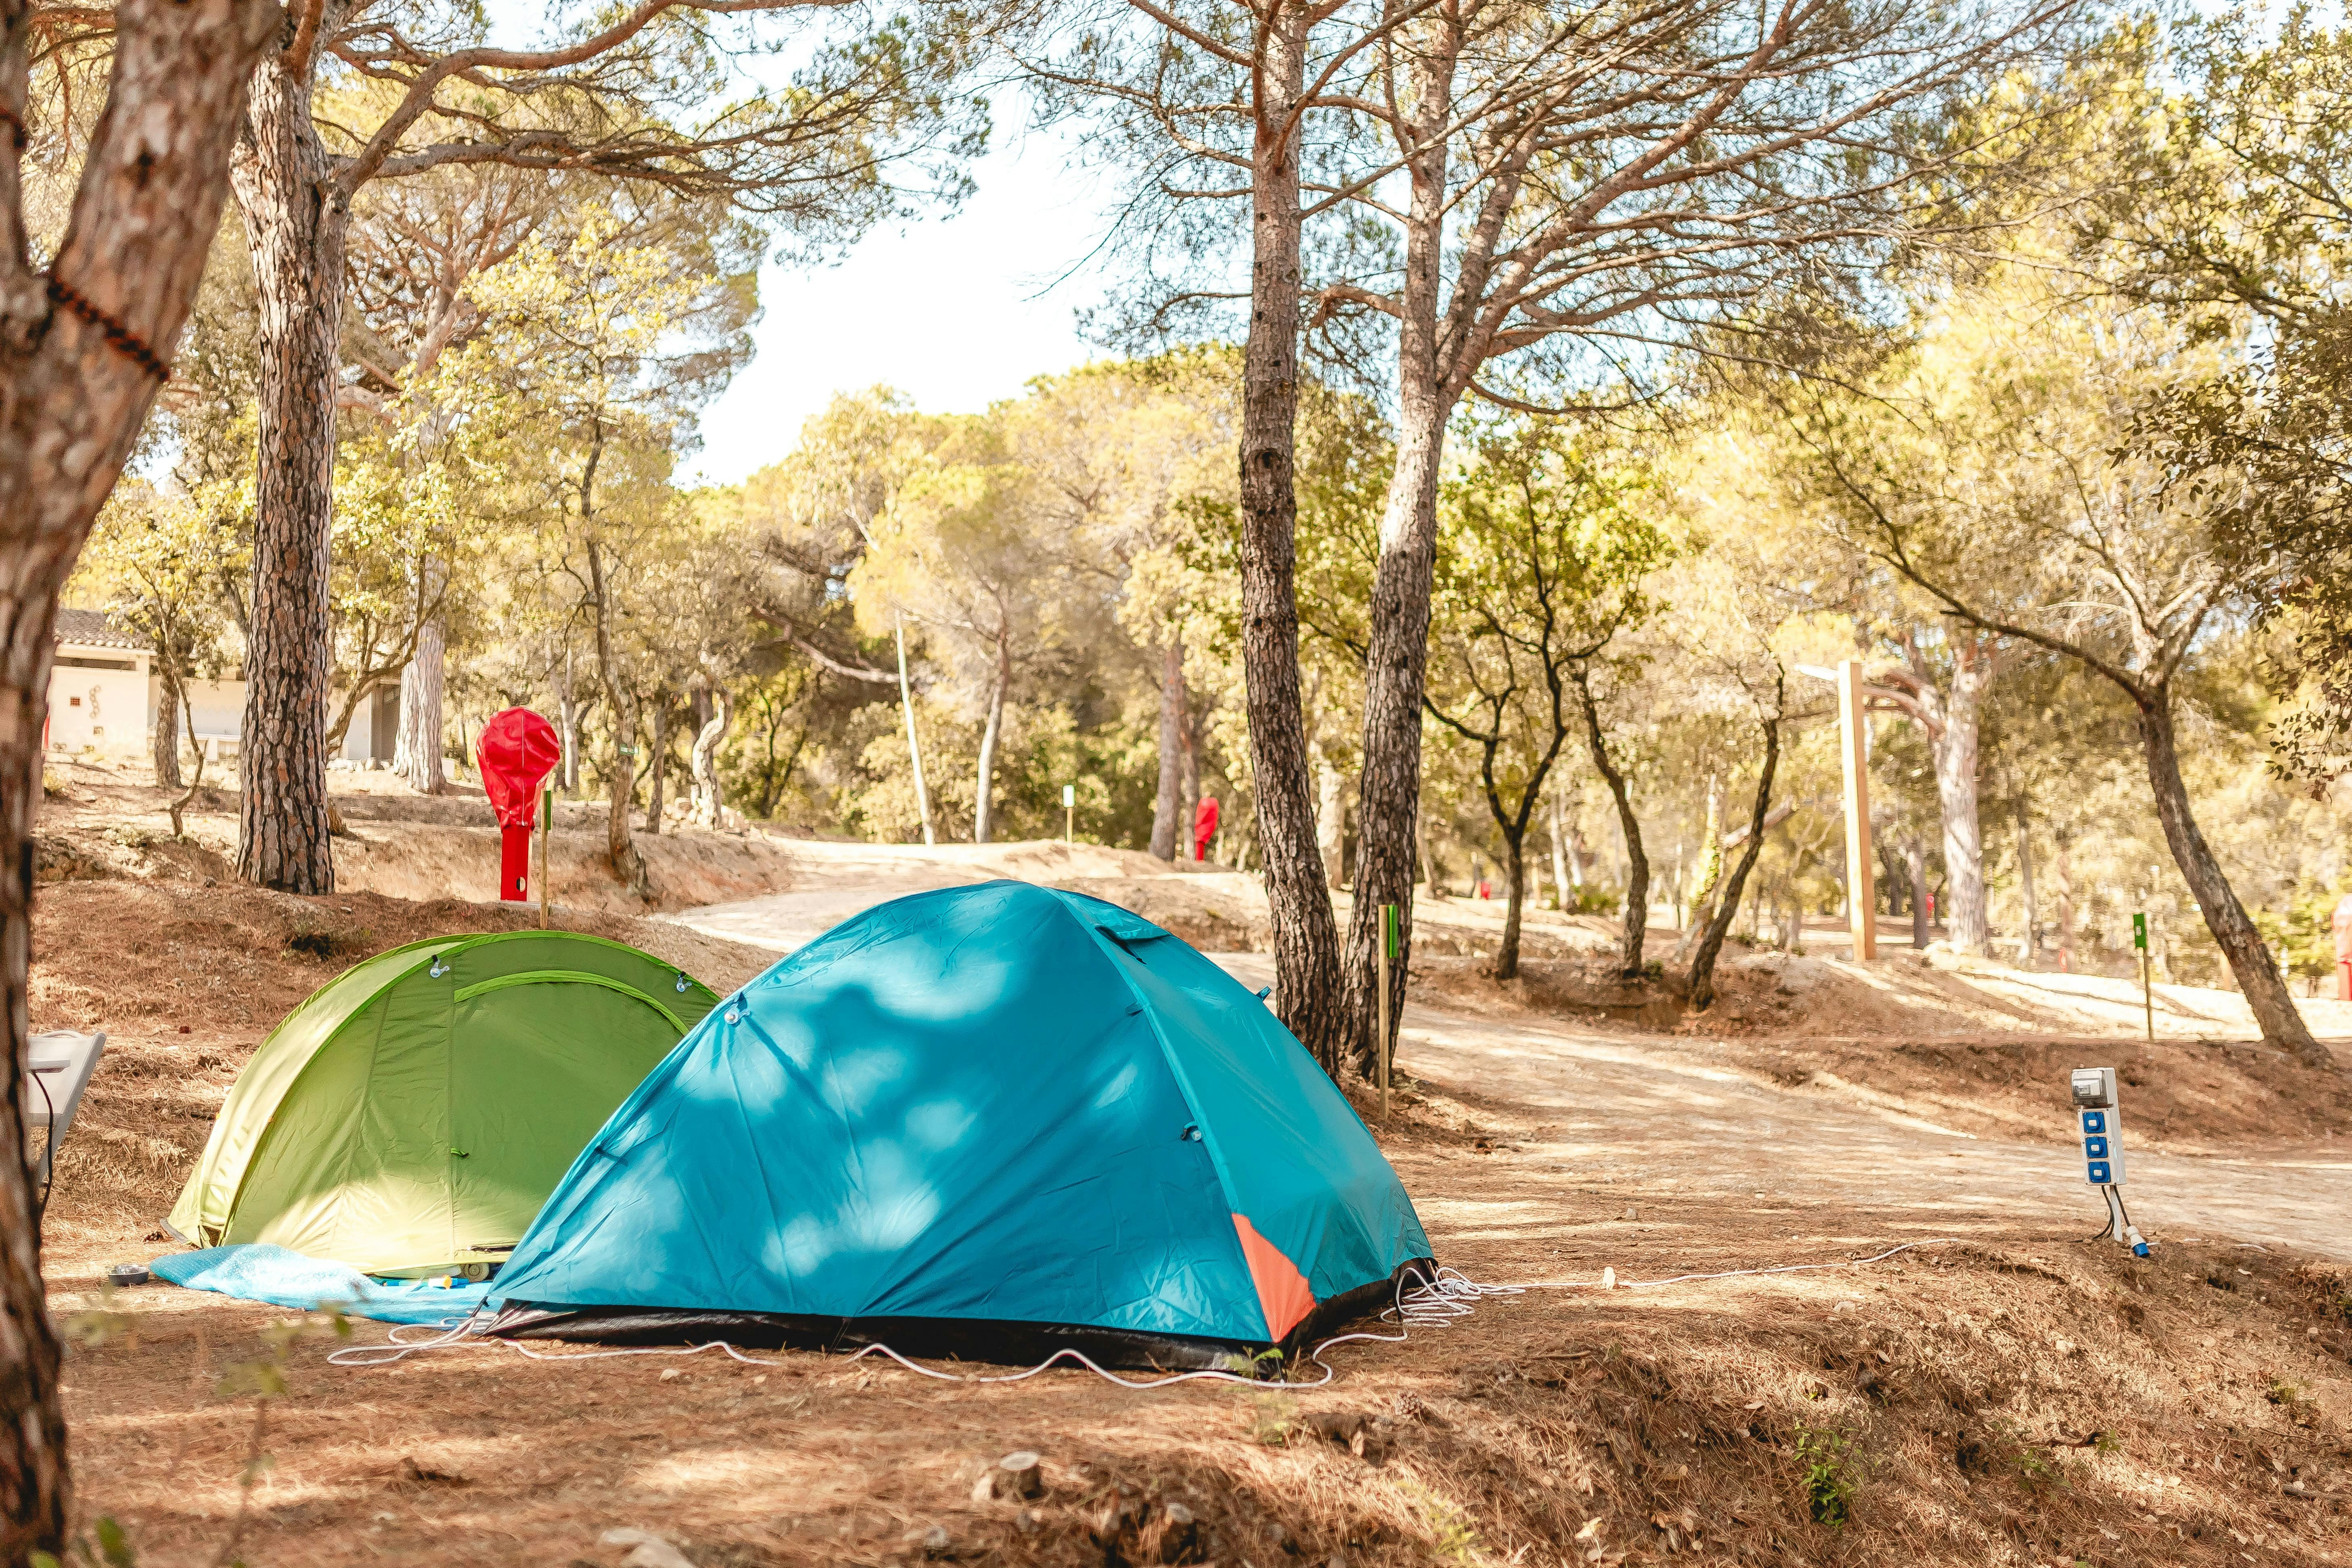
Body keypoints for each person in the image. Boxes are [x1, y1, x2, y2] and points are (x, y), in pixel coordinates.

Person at [1192, 795, 1219, 863]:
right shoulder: (1212, 803)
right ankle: (1199, 860)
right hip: (1205, 826)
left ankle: (1199, 860)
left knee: (1200, 842)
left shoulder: (1207, 803)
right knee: (1200, 843)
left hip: (1203, 827)